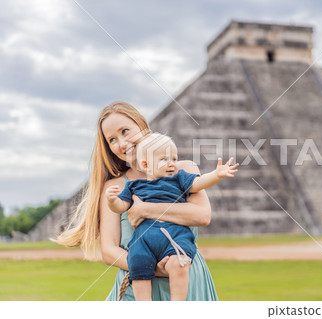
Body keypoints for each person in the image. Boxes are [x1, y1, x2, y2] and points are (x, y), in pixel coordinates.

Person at [56, 101, 219, 301]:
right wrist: (152, 268)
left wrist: (144, 209)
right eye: (112, 140)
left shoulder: (183, 169)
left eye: (125, 131)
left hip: (187, 286)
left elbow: (202, 216)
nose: (122, 144)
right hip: (137, 290)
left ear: (142, 126)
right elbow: (108, 251)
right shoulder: (114, 187)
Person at [106, 133, 238, 300]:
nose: (171, 164)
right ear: (146, 165)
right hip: (144, 239)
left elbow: (199, 183)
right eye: (164, 160)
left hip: (175, 236)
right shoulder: (134, 186)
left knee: (179, 263)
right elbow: (120, 207)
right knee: (138, 262)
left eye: (174, 159)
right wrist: (111, 201)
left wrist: (216, 175)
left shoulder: (179, 179)